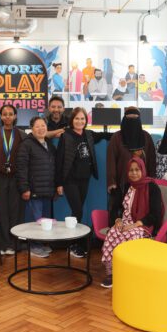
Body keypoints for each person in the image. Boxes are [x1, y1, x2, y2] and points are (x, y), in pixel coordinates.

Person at [100, 157, 163, 288]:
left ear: (142, 170)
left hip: (143, 225)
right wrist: (117, 220)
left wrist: (135, 225)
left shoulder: (152, 187)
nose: (134, 173)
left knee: (130, 236)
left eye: (137, 170)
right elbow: (115, 207)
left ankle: (130, 271)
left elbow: (155, 214)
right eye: (131, 170)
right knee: (112, 233)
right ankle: (112, 273)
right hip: (125, 222)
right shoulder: (126, 186)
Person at [56, 107, 110, 258]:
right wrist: (59, 183)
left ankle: (75, 243)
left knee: (77, 213)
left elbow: (105, 135)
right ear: (72, 120)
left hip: (84, 179)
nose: (80, 121)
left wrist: (121, 133)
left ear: (86, 121)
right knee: (78, 211)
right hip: (70, 180)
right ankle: (73, 244)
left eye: (82, 119)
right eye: (77, 118)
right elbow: (59, 161)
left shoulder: (89, 134)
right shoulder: (66, 136)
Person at [0, 104, 26, 255]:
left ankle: (14, 244)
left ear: (15, 116)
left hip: (16, 178)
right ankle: (2, 244)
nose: (7, 117)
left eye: (10, 114)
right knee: (1, 211)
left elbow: (26, 160)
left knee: (15, 211)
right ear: (0, 116)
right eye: (4, 114)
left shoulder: (21, 134)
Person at [106, 107, 157, 226]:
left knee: (140, 212)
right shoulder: (117, 138)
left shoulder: (146, 137)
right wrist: (112, 182)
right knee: (119, 214)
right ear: (124, 119)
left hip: (142, 186)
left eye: (135, 118)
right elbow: (111, 161)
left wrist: (152, 180)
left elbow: (151, 160)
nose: (132, 121)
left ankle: (137, 231)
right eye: (129, 118)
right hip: (121, 184)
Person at [15, 116, 57, 258]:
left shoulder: (49, 144)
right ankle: (33, 246)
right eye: (37, 126)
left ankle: (41, 243)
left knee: (45, 221)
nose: (41, 128)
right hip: (33, 190)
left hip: (47, 190)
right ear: (32, 129)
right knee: (35, 220)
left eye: (43, 125)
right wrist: (24, 188)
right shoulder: (26, 144)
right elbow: (21, 168)